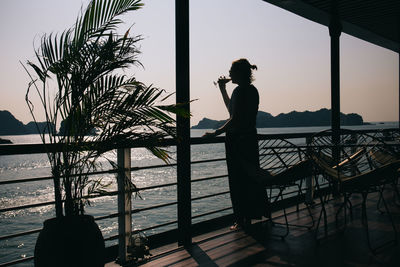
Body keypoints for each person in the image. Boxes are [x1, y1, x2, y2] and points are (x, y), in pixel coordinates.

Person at [203, 58, 267, 230]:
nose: (229, 73)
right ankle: (251, 216)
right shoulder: (252, 90)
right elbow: (233, 111)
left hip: (237, 141)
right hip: (250, 139)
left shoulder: (240, 91)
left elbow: (235, 118)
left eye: (231, 70)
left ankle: (240, 220)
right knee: (251, 178)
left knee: (237, 181)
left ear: (239, 72)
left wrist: (215, 132)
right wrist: (223, 89)